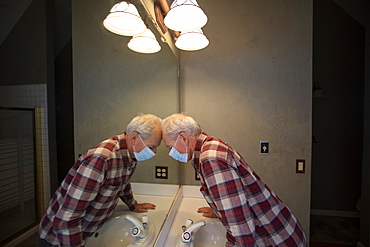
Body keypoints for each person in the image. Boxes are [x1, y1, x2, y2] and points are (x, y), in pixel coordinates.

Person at [162, 113, 307, 247]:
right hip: (282, 229)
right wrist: (221, 210)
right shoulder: (212, 145)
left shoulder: (211, 160)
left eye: (170, 147)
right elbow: (237, 195)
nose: (170, 152)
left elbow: (242, 232)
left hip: (277, 240)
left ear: (183, 138)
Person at [38, 114, 162, 247]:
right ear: (134, 137)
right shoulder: (101, 160)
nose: (154, 152)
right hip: (58, 239)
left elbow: (122, 183)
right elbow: (67, 220)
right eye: (151, 147)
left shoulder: (131, 154)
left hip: (85, 231)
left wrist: (133, 204)